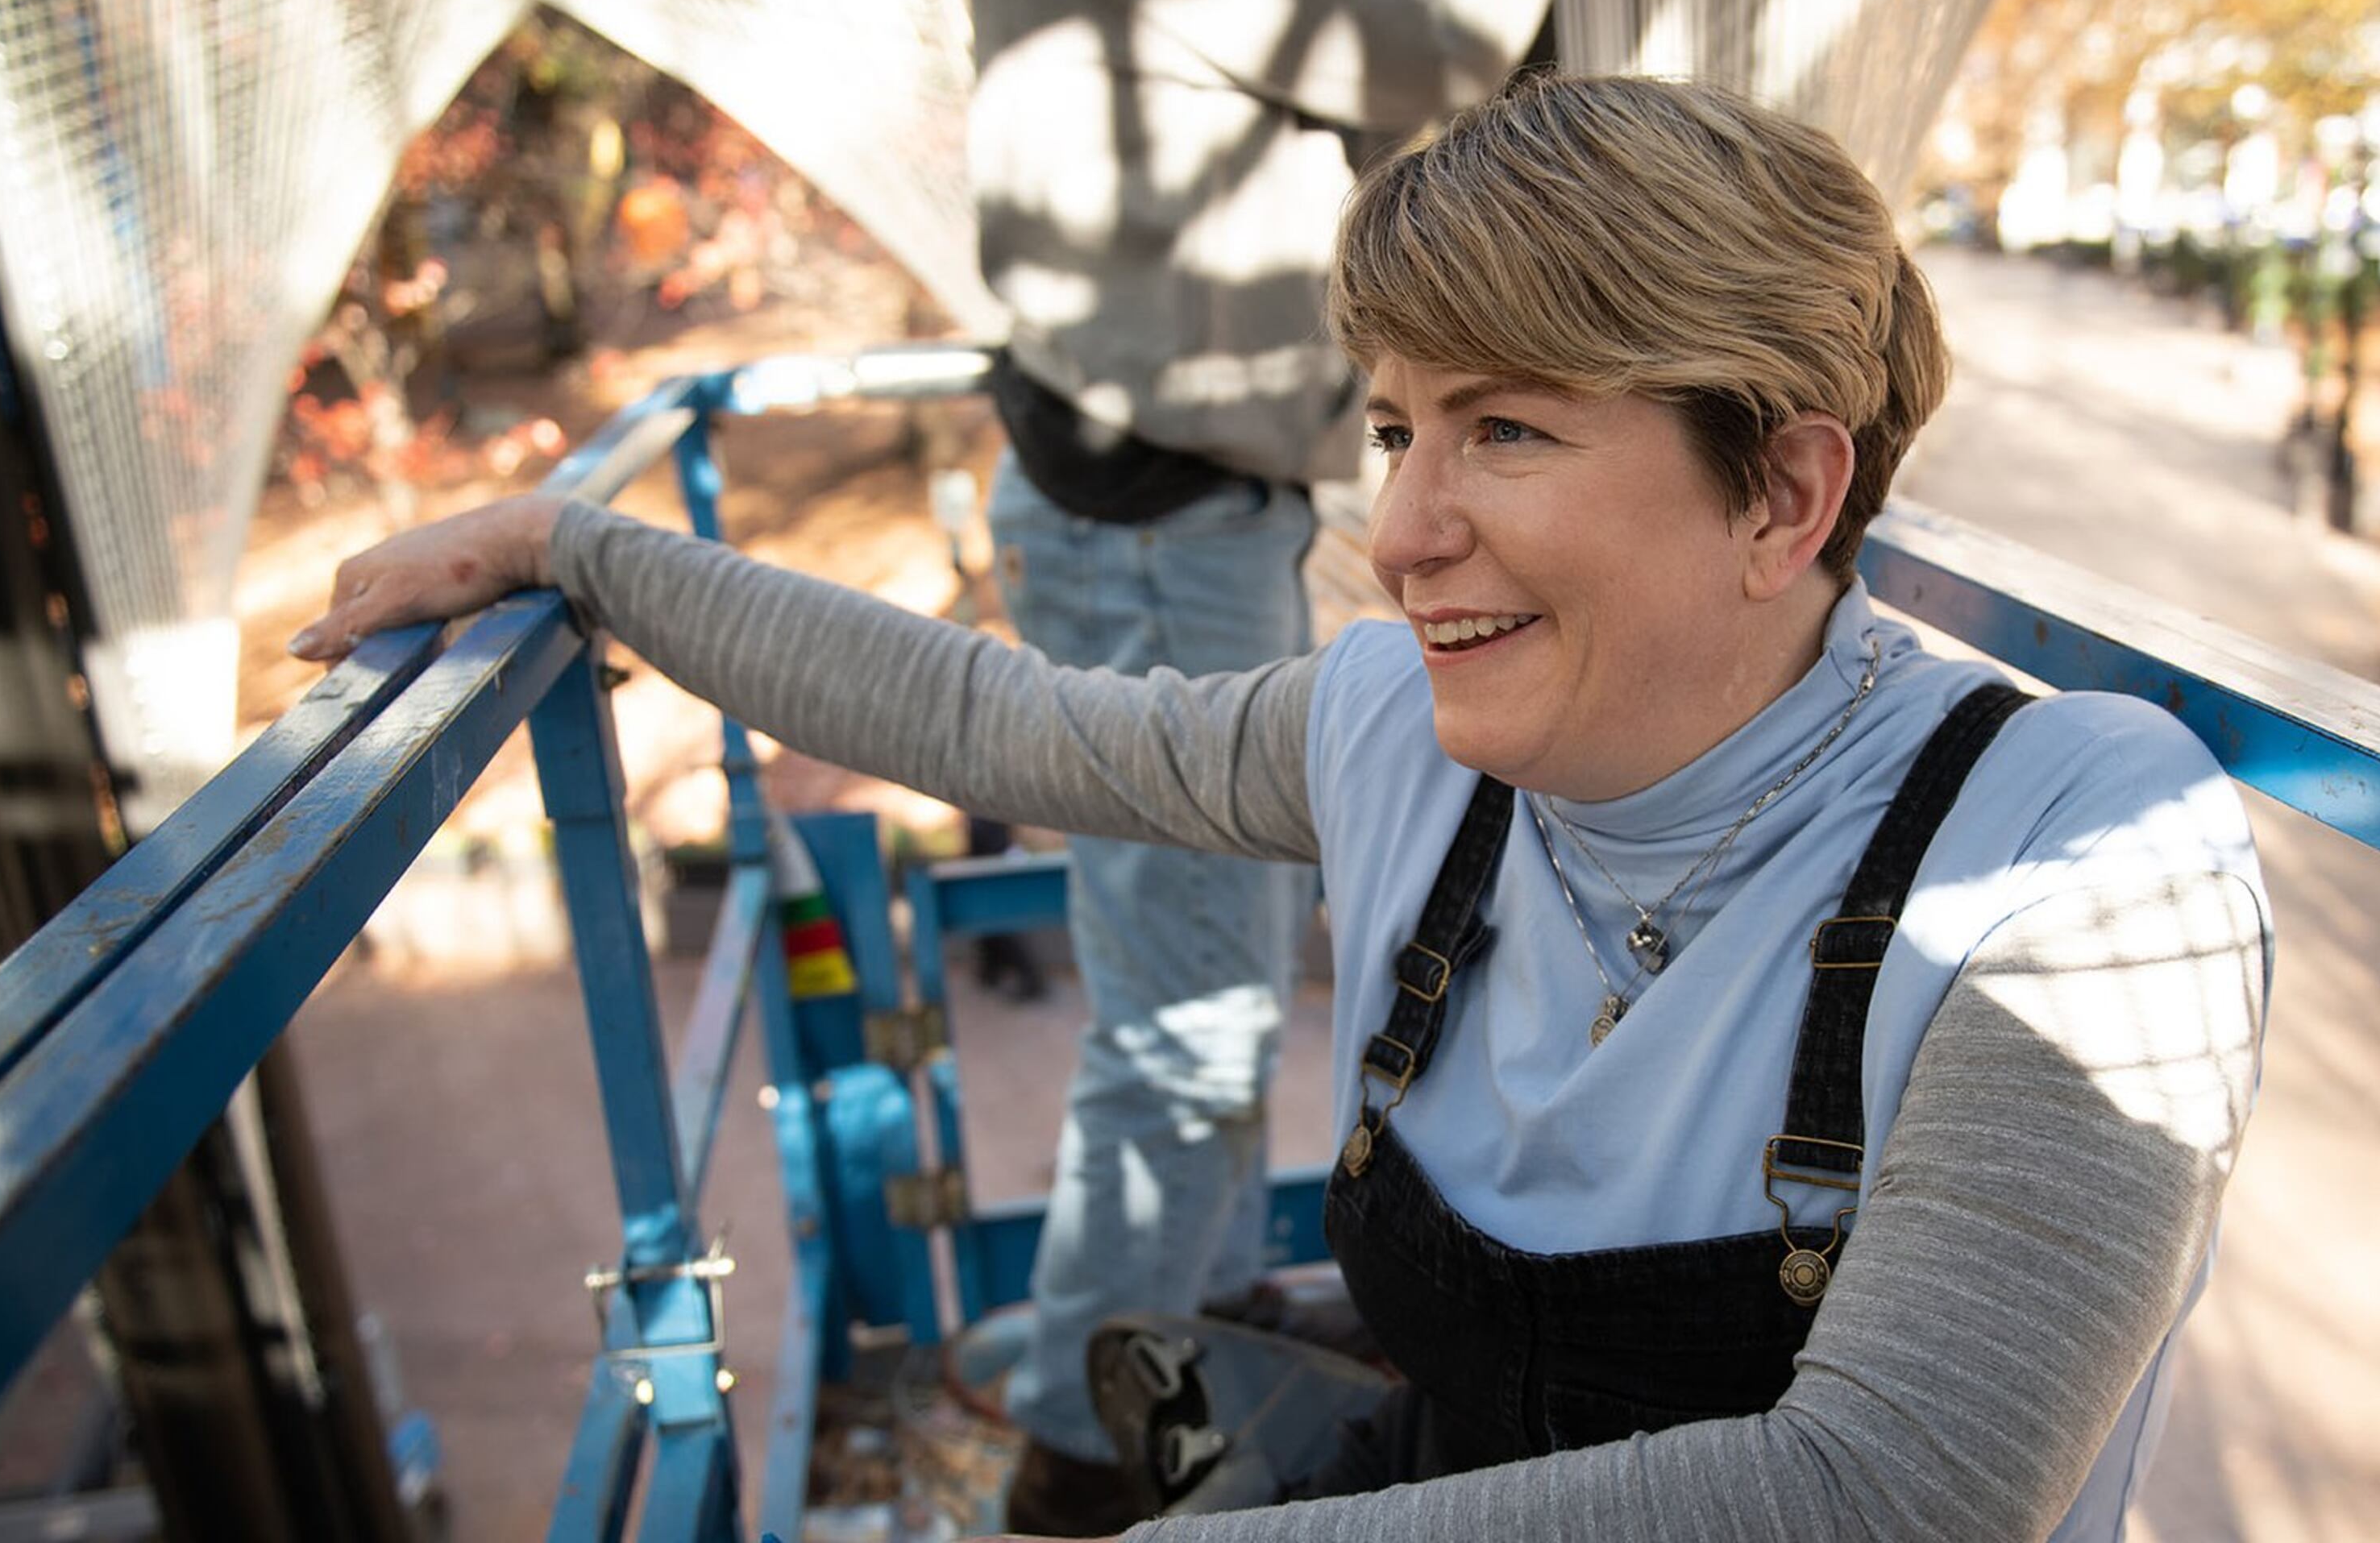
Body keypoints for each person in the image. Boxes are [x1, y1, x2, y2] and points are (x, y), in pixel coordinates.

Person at [293, 75, 2271, 1543]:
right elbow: (1005, 722)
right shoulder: (1399, 733)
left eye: (1506, 428)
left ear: (1782, 492)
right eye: (1397, 428)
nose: (1400, 533)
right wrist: (581, 551)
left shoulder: (2082, 862)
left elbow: (1891, 1495)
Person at [891, 0, 1624, 1523]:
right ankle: (1081, 1459)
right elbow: (1436, 41)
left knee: (1196, 988)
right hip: (1161, 519)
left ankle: (1192, 1325)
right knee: (1191, 1017)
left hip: (1148, 506)